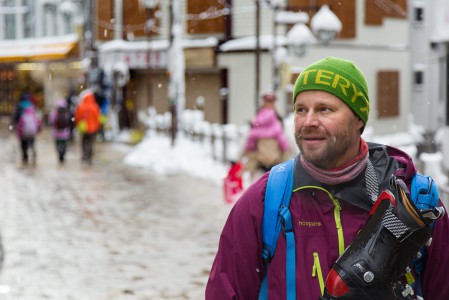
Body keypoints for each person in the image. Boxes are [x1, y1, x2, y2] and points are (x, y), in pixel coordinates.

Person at [206, 57, 449, 299]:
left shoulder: (416, 201)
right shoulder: (264, 201)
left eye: (324, 109)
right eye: (301, 109)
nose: (308, 121)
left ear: (359, 119)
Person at [242, 91, 291, 178]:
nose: (269, 104)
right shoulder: (258, 121)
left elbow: (286, 145)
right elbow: (249, 145)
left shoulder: (278, 122)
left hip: (275, 165)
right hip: (261, 165)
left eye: (271, 101)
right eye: (267, 101)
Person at [11, 93, 42, 164]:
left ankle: (25, 156)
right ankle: (33, 152)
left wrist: (13, 125)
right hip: (31, 130)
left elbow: (15, 116)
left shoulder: (19, 105)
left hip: (22, 128)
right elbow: (37, 120)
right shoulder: (31, 106)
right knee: (32, 141)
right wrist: (39, 129)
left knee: (23, 143)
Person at [74, 90, 101, 164]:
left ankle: (84, 155)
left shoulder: (81, 106)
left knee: (83, 142)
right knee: (90, 142)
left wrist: (78, 124)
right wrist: (97, 126)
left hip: (84, 128)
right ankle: (89, 156)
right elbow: (97, 117)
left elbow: (77, 117)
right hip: (92, 128)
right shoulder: (95, 106)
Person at [48, 99, 71, 163]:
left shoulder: (54, 112)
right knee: (64, 144)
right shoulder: (67, 112)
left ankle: (60, 154)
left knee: (58, 144)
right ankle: (63, 154)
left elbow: (51, 121)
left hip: (57, 132)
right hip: (65, 132)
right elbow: (70, 121)